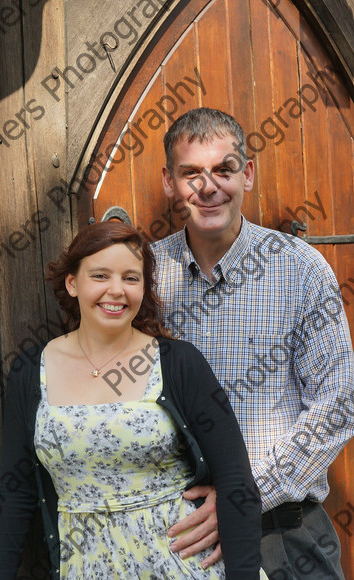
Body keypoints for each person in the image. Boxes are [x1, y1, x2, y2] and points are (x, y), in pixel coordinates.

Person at [0, 221, 266, 579]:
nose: (116, 291)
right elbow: (16, 496)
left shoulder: (179, 364)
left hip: (185, 566)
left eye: (131, 278)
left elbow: (235, 481)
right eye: (100, 276)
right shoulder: (30, 372)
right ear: (72, 283)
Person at [151, 107, 354, 579]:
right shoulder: (145, 275)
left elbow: (338, 404)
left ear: (248, 174)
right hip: (180, 535)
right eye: (191, 173)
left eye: (224, 169)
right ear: (168, 182)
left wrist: (242, 495)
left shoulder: (299, 269)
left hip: (283, 534)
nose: (208, 186)